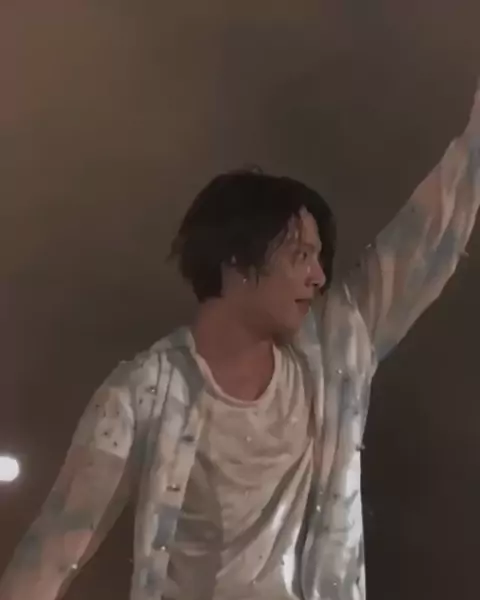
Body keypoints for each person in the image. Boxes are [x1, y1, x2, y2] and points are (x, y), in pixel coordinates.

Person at [1, 82, 479, 600]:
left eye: (319, 258)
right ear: (237, 263)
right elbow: (51, 555)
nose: (319, 276)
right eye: (300, 256)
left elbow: (430, 231)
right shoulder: (139, 397)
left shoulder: (334, 348)